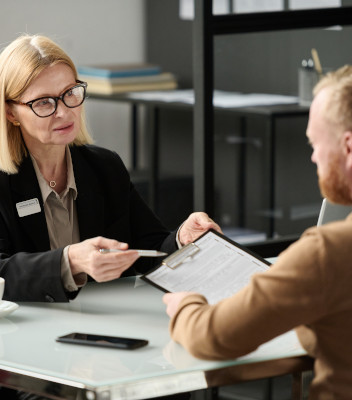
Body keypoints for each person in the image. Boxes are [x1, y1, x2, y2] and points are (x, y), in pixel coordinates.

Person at [163, 63, 352, 400]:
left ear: (349, 148)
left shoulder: (332, 250)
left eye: (316, 144)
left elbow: (214, 337)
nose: (314, 158)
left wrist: (186, 305)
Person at [0, 34, 220, 303]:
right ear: (11, 113)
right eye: (44, 102)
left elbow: (148, 249)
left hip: (101, 325)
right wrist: (69, 261)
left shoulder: (104, 167)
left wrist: (182, 240)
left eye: (70, 93)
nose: (64, 111)